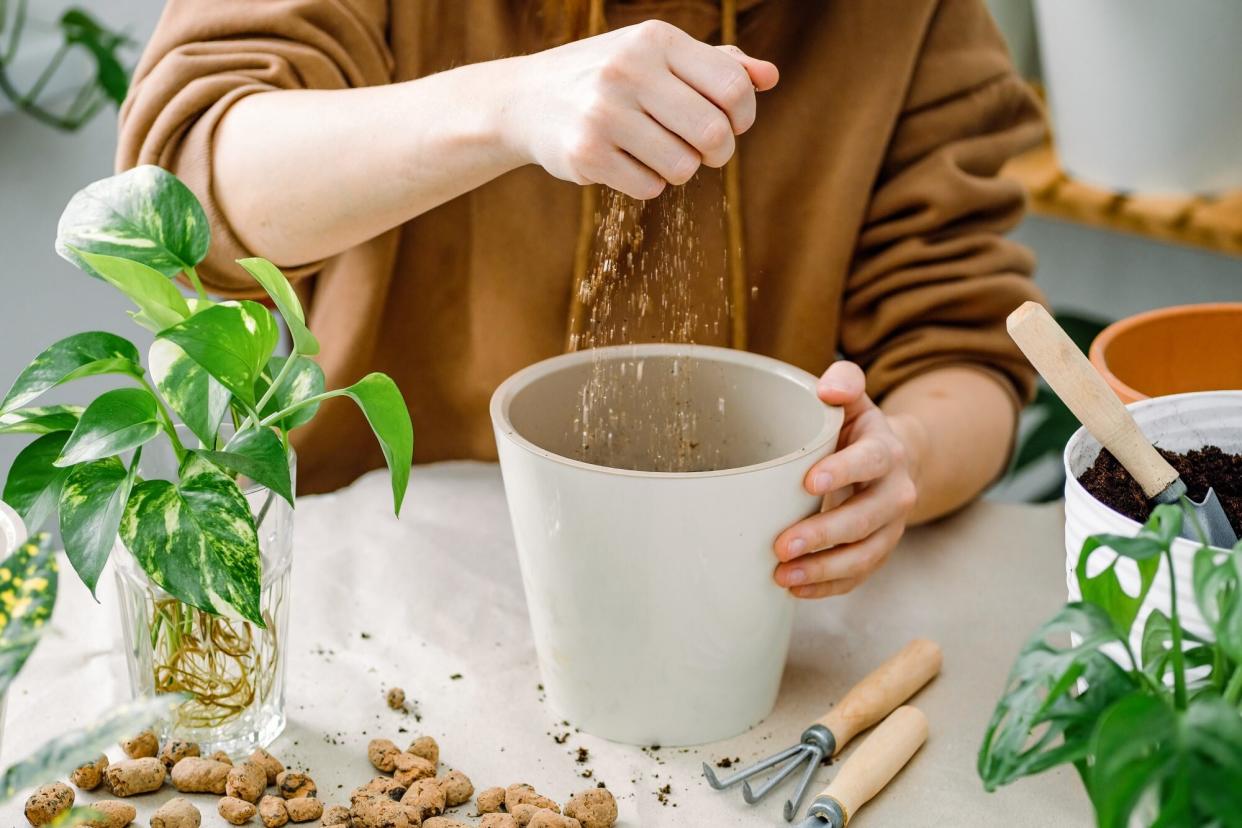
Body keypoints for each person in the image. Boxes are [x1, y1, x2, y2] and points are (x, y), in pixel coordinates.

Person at [118, 0, 1045, 600]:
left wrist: (901, 456)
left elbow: (961, 344)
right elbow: (190, 190)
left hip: (753, 593)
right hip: (382, 575)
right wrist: (507, 106)